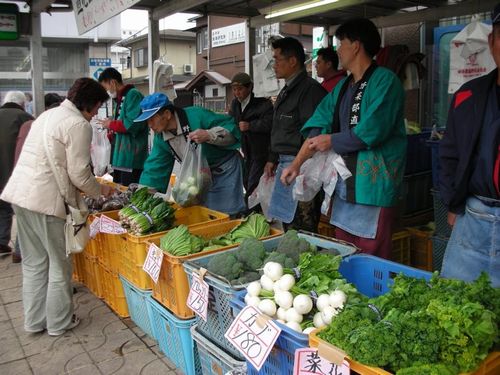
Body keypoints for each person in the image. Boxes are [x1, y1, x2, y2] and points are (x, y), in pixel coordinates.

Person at [281, 18, 406, 259]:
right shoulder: (343, 86)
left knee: (372, 254)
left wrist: (331, 141)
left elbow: (373, 130)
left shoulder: (386, 81)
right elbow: (319, 122)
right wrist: (297, 164)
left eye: (341, 43)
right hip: (345, 186)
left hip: (373, 184)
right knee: (343, 251)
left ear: (356, 45)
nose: (337, 49)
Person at [1, 78, 114, 336]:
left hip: (21, 196)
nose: (97, 112)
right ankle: (59, 322)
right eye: (98, 106)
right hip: (46, 202)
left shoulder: (47, 116)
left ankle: (34, 321)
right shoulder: (77, 124)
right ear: (90, 103)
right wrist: (101, 190)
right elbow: (79, 175)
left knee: (34, 263)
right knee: (59, 264)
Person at [438, 4, 500, 287]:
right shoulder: (468, 95)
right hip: (473, 217)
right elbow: (449, 154)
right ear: (492, 42)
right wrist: (453, 202)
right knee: (456, 299)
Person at [136, 93, 246, 216]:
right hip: (199, 177)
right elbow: (155, 168)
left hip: (224, 169)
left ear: (167, 114)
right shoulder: (161, 138)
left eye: (152, 119)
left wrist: (209, 134)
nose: (150, 125)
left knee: (227, 214)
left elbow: (232, 129)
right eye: (147, 121)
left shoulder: (197, 115)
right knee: (204, 215)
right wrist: (143, 194)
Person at [264, 37, 327, 232]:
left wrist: (297, 164)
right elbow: (280, 128)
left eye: (277, 59)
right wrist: (272, 158)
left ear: (292, 61)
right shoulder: (286, 90)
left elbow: (313, 135)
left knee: (303, 228)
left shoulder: (310, 91)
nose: (273, 65)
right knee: (288, 225)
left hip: (303, 168)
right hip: (285, 165)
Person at [10, 93, 63, 264]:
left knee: (32, 257)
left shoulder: (29, 124)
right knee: (55, 258)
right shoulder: (48, 127)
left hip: (19, 182)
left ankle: (19, 252)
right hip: (40, 190)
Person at [97, 67, 148, 185]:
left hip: (131, 158)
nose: (107, 91)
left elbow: (132, 124)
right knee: (119, 194)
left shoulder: (132, 94)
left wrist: (110, 124)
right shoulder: (119, 98)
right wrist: (111, 129)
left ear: (113, 82)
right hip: (120, 157)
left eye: (106, 87)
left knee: (128, 194)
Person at [229, 72, 273, 201]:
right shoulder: (235, 104)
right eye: (234, 89)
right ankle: (253, 207)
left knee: (253, 181)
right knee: (246, 179)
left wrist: (251, 126)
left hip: (261, 149)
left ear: (250, 87)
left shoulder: (262, 102)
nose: (237, 92)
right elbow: (231, 121)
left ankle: (250, 210)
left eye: (240, 89)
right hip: (244, 149)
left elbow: (270, 123)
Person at [0, 91, 33, 258]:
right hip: (14, 172)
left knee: (3, 208)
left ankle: (1, 240)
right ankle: (19, 251)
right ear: (22, 104)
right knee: (21, 211)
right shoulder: (25, 118)